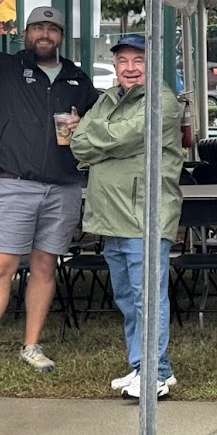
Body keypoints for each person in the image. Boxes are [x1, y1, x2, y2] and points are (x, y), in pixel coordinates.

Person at [0, 0, 98, 383]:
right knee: (0, 265)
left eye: (52, 28)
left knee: (45, 266)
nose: (44, 34)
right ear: (26, 34)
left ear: (61, 37)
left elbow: (99, 121)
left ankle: (31, 345)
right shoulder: (4, 67)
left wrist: (84, 125)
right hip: (16, 183)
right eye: (38, 28)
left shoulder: (77, 78)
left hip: (64, 186)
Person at [70, 34, 183, 399]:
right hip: (111, 214)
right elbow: (79, 143)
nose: (130, 68)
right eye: (123, 61)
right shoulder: (107, 98)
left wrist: (98, 137)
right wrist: (104, 139)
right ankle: (144, 366)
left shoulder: (163, 101)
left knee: (147, 297)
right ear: (115, 66)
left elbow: (124, 136)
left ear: (154, 64)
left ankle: (155, 374)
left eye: (139, 60)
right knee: (127, 298)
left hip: (144, 213)